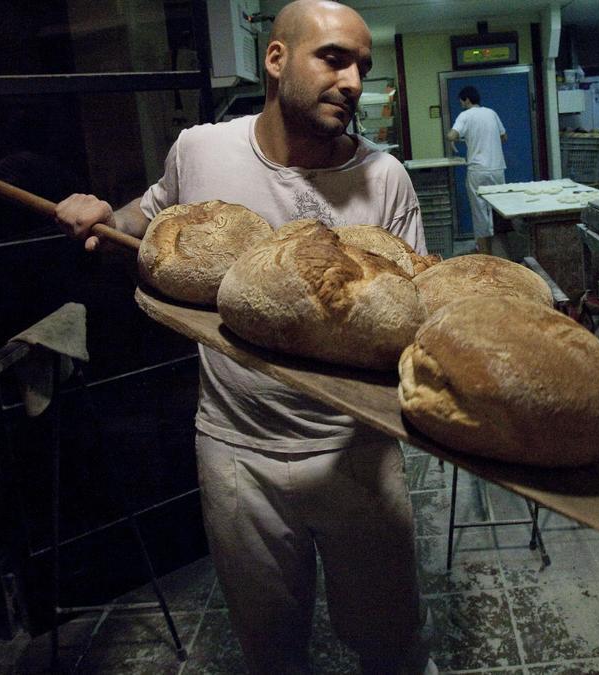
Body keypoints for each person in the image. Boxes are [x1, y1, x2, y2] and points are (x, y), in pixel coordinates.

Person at [54, 1, 434, 672]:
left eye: (362, 68)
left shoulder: (386, 178)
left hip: (356, 451)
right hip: (235, 452)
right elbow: (144, 219)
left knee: (391, 645)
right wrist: (98, 214)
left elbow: (410, 315)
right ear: (277, 58)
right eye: (334, 58)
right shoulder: (200, 150)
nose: (352, 82)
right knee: (271, 650)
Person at [446, 86, 507, 255]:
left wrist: (458, 138)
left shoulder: (465, 115)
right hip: (497, 168)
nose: (461, 105)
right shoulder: (491, 113)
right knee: (500, 210)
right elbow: (504, 137)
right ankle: (502, 252)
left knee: (480, 213)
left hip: (478, 170)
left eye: (461, 102)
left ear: (466, 100)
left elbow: (451, 135)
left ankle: (485, 254)